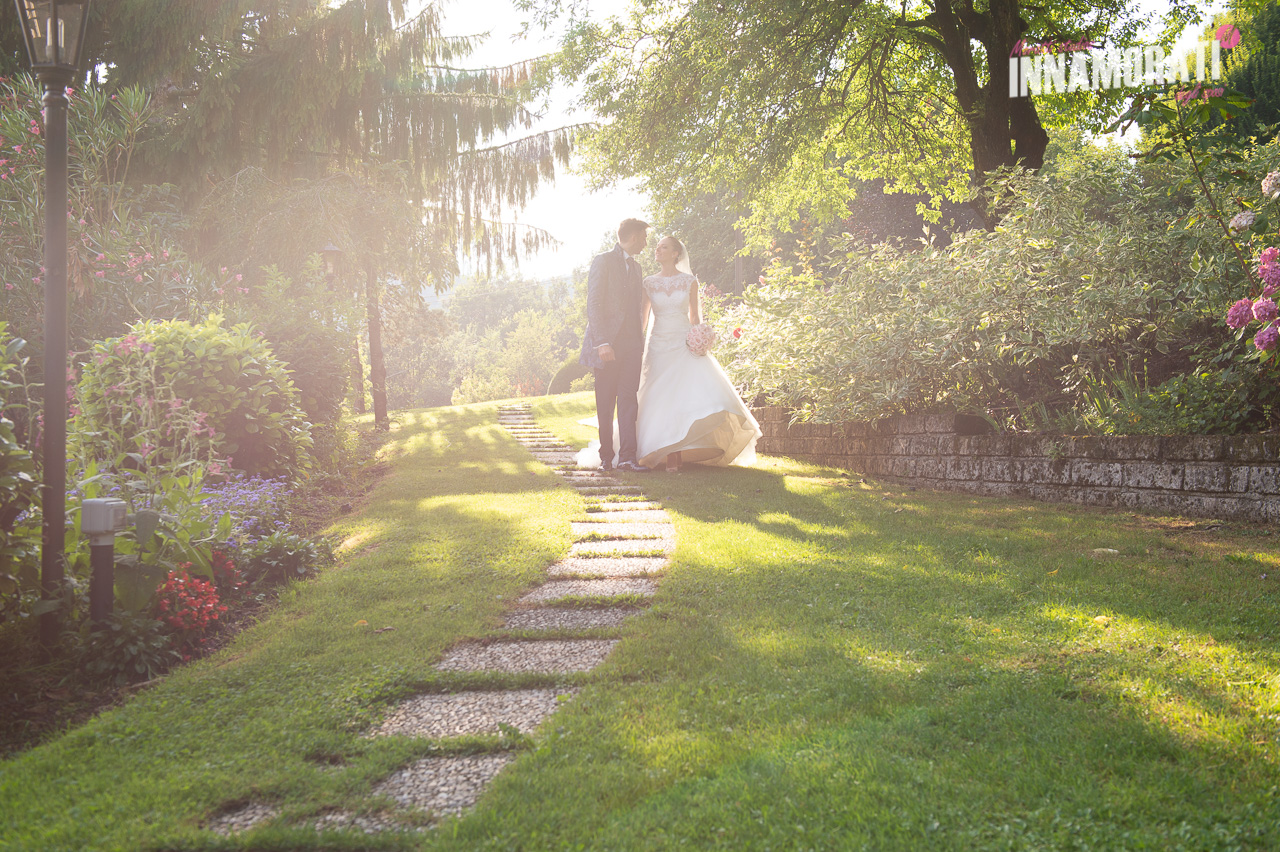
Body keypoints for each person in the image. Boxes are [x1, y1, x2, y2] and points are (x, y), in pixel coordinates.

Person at [635, 236, 761, 471]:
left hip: (684, 343)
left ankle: (675, 451)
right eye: (657, 247)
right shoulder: (649, 283)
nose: (657, 250)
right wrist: (633, 344)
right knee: (658, 394)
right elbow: (642, 319)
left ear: (675, 253)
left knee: (684, 394)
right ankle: (660, 447)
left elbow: (695, 317)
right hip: (659, 344)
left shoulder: (689, 281)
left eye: (663, 247)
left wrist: (699, 339)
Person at [578, 218, 651, 472]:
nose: (645, 242)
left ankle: (629, 457)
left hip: (632, 344)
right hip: (607, 345)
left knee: (629, 400)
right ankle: (606, 457)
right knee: (606, 402)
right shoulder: (603, 261)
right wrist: (602, 342)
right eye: (644, 237)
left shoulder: (638, 267)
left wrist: (639, 342)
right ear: (632, 237)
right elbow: (594, 303)